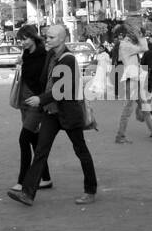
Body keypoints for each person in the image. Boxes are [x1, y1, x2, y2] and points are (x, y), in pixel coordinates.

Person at [8, 23, 98, 206]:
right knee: (41, 151)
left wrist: (40, 99)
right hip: (51, 112)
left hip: (68, 112)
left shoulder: (68, 59)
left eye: (51, 37)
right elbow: (45, 81)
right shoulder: (50, 55)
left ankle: (90, 190)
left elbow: (60, 89)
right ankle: (28, 193)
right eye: (46, 36)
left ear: (62, 39)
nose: (46, 40)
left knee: (81, 151)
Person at [11, 29, 52, 193]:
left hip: (36, 103)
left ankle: (22, 181)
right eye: (21, 40)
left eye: (26, 38)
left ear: (34, 38)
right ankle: (46, 178)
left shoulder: (44, 55)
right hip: (24, 102)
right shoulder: (26, 54)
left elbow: (46, 81)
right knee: (34, 140)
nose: (23, 42)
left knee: (23, 139)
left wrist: (41, 100)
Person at [113, 24, 152, 144]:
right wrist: (141, 36)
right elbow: (144, 48)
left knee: (145, 109)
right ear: (129, 34)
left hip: (135, 78)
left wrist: (144, 37)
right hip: (131, 79)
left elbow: (148, 47)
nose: (136, 34)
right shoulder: (125, 45)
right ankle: (120, 136)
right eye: (134, 32)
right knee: (127, 111)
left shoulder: (129, 44)